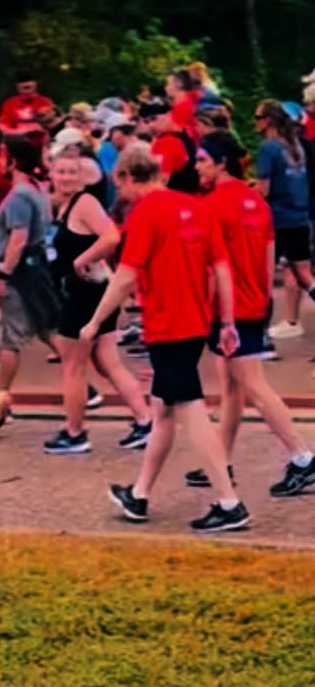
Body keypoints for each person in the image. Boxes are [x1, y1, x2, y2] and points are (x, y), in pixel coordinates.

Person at [81, 144, 250, 534]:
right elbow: (221, 267)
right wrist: (227, 320)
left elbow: (125, 277)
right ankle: (139, 494)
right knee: (163, 411)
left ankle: (230, 502)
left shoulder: (146, 214)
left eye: (119, 185)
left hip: (167, 326)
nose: (120, 194)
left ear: (127, 177)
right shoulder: (197, 207)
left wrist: (95, 321)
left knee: (190, 410)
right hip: (195, 323)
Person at [187, 132, 315, 496]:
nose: (197, 166)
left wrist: (205, 310)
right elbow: (268, 256)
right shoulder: (256, 202)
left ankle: (302, 456)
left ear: (220, 163)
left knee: (252, 385)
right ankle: (220, 461)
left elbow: (210, 266)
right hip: (253, 300)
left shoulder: (212, 205)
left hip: (229, 307)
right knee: (233, 386)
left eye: (203, 160)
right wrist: (263, 298)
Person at [44, 148, 151, 455]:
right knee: (107, 361)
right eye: (61, 171)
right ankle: (145, 420)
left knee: (73, 365)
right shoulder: (64, 205)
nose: (66, 177)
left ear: (82, 177)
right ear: (51, 173)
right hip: (90, 290)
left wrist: (81, 260)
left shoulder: (84, 203)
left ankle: (75, 431)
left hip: (82, 293)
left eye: (71, 172)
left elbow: (111, 237)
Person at [0, 137, 62, 435]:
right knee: (46, 329)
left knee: (10, 337)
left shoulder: (18, 196)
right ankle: (83, 384)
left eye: (2, 156)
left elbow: (17, 239)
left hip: (19, 272)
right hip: (35, 267)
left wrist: (3, 274)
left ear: (13, 161)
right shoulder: (36, 190)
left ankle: (0, 398)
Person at [254, 99, 315, 339]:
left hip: (276, 220)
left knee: (263, 277)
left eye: (259, 118)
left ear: (268, 120)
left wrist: (244, 192)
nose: (255, 123)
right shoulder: (295, 146)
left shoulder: (268, 148)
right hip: (300, 217)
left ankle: (260, 335)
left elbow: (264, 190)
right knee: (305, 275)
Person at [147, 100, 199, 194]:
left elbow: (161, 180)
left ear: (169, 115)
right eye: (147, 121)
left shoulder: (167, 141)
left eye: (154, 119)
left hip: (174, 195)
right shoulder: (187, 133)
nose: (151, 125)